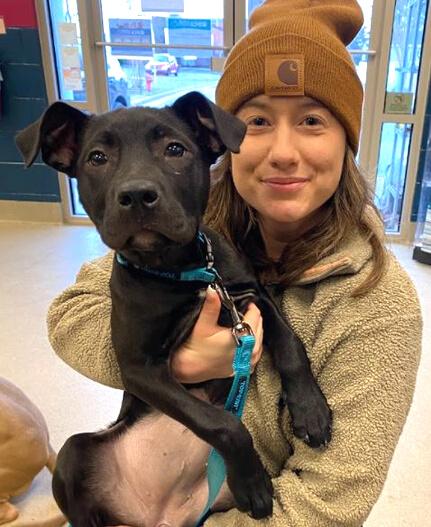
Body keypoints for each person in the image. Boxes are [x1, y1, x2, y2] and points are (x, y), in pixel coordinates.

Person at [47, 0, 422, 525]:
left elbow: (328, 504)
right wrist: (180, 365)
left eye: (312, 120)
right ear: (226, 140)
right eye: (259, 120)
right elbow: (70, 313)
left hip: (245, 507)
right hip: (143, 462)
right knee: (77, 460)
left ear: (348, 141)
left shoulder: (379, 305)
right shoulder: (183, 235)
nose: (284, 152)